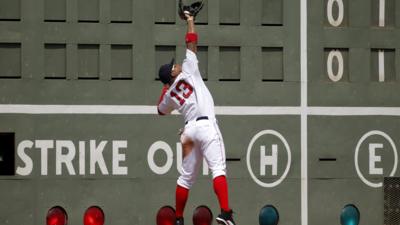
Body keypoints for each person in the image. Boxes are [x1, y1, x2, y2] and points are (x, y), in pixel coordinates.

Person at [156, 13, 236, 225]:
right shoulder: (189, 70)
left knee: (185, 178)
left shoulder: (170, 94)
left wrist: (166, 87)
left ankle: (179, 219)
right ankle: (226, 213)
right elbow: (192, 41)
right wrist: (190, 20)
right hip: (206, 125)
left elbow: (160, 111)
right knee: (218, 169)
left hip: (189, 132)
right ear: (173, 73)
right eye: (173, 67)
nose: (176, 65)